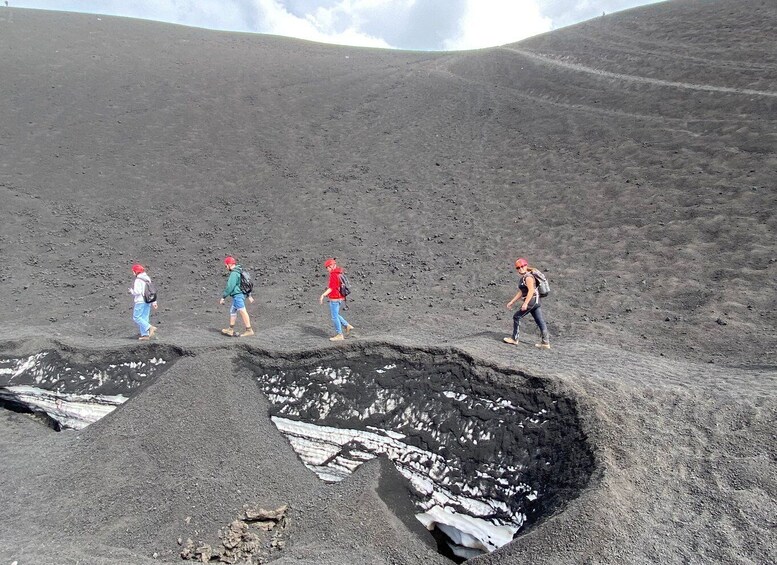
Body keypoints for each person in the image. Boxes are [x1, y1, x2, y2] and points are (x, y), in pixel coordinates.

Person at [504, 258, 550, 349]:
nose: (520, 268)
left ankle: (514, 338)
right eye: (518, 267)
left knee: (516, 316)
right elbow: (521, 292)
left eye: (522, 266)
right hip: (535, 301)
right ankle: (545, 343)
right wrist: (512, 302)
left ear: (526, 266)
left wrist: (525, 303)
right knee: (539, 320)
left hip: (532, 301)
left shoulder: (528, 277)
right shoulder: (525, 277)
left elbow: (531, 291)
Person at [319, 258, 353, 341]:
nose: (327, 270)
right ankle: (347, 325)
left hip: (335, 298)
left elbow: (331, 288)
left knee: (334, 317)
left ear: (331, 266)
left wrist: (323, 295)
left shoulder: (334, 275)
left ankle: (340, 334)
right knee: (336, 314)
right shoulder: (339, 273)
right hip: (340, 298)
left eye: (327, 268)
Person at [219, 256, 254, 337]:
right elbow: (245, 283)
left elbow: (230, 286)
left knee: (242, 311)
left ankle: (249, 330)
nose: (226, 267)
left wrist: (223, 297)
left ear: (230, 264)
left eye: (226, 265)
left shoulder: (234, 273)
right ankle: (230, 329)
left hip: (238, 296)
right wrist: (249, 295)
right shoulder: (240, 271)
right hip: (240, 295)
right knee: (233, 311)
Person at [129, 264, 157, 341]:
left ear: (136, 271)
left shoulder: (138, 280)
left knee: (136, 317)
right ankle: (145, 335)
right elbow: (151, 290)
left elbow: (137, 292)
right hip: (148, 301)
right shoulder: (147, 278)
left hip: (140, 301)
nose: (133, 273)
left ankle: (150, 328)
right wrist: (154, 302)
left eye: (133, 271)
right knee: (144, 318)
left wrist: (131, 291)